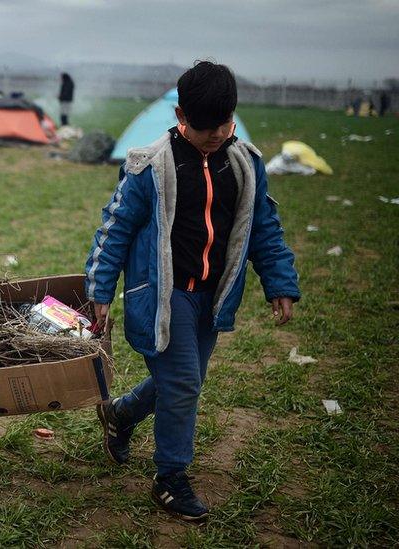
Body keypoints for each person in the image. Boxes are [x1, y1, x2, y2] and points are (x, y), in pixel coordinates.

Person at [85, 61, 300, 522]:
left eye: (224, 124)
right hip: (164, 296)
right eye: (205, 128)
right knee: (183, 384)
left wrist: (279, 280)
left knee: (184, 380)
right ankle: (170, 478)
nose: (216, 134)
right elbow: (114, 229)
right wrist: (100, 289)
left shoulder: (245, 163)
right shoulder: (150, 166)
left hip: (214, 295)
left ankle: (121, 415)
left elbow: (263, 227)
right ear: (181, 115)